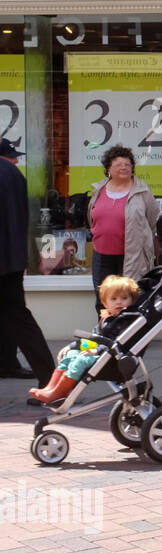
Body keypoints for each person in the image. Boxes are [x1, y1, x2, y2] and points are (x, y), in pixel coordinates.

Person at [0, 138, 56, 396]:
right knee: (16, 315)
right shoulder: (14, 175)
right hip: (11, 259)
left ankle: (47, 379)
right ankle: (38, 374)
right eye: (12, 154)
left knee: (15, 316)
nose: (16, 159)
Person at [30, 274, 140, 405]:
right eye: (114, 299)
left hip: (112, 359)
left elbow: (118, 343)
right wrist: (73, 346)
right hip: (103, 354)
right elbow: (93, 340)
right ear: (105, 303)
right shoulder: (107, 319)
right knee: (70, 355)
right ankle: (52, 388)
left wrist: (96, 351)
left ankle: (58, 393)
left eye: (124, 298)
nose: (119, 302)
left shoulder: (125, 321)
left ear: (132, 300)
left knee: (81, 360)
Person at [87, 146, 160, 308]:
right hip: (102, 256)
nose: (124, 167)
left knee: (130, 300)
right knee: (104, 300)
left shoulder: (142, 191)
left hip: (132, 256)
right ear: (108, 169)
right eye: (119, 164)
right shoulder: (99, 190)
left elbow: (154, 221)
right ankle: (106, 331)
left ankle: (130, 333)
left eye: (128, 164)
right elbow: (91, 218)